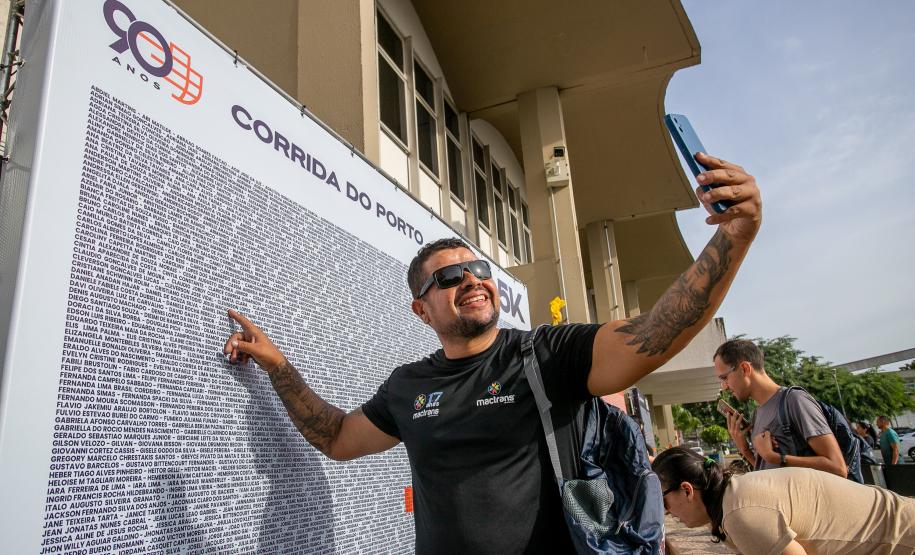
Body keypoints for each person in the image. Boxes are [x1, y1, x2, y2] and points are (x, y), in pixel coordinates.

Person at [224, 153, 762, 553]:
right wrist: (278, 365)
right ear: (422, 310)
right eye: (450, 277)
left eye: (479, 270)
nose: (472, 281)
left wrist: (734, 236)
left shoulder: (547, 354)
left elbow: (654, 335)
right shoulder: (407, 386)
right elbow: (338, 439)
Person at [653, 446, 915, 554]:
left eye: (663, 502)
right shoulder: (738, 492)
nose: (666, 513)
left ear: (687, 490)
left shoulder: (740, 513)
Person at [715, 339, 848, 477]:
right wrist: (745, 450)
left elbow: (838, 468)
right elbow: (770, 474)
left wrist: (775, 457)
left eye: (725, 378)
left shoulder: (795, 400)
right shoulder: (757, 414)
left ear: (745, 369)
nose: (724, 386)